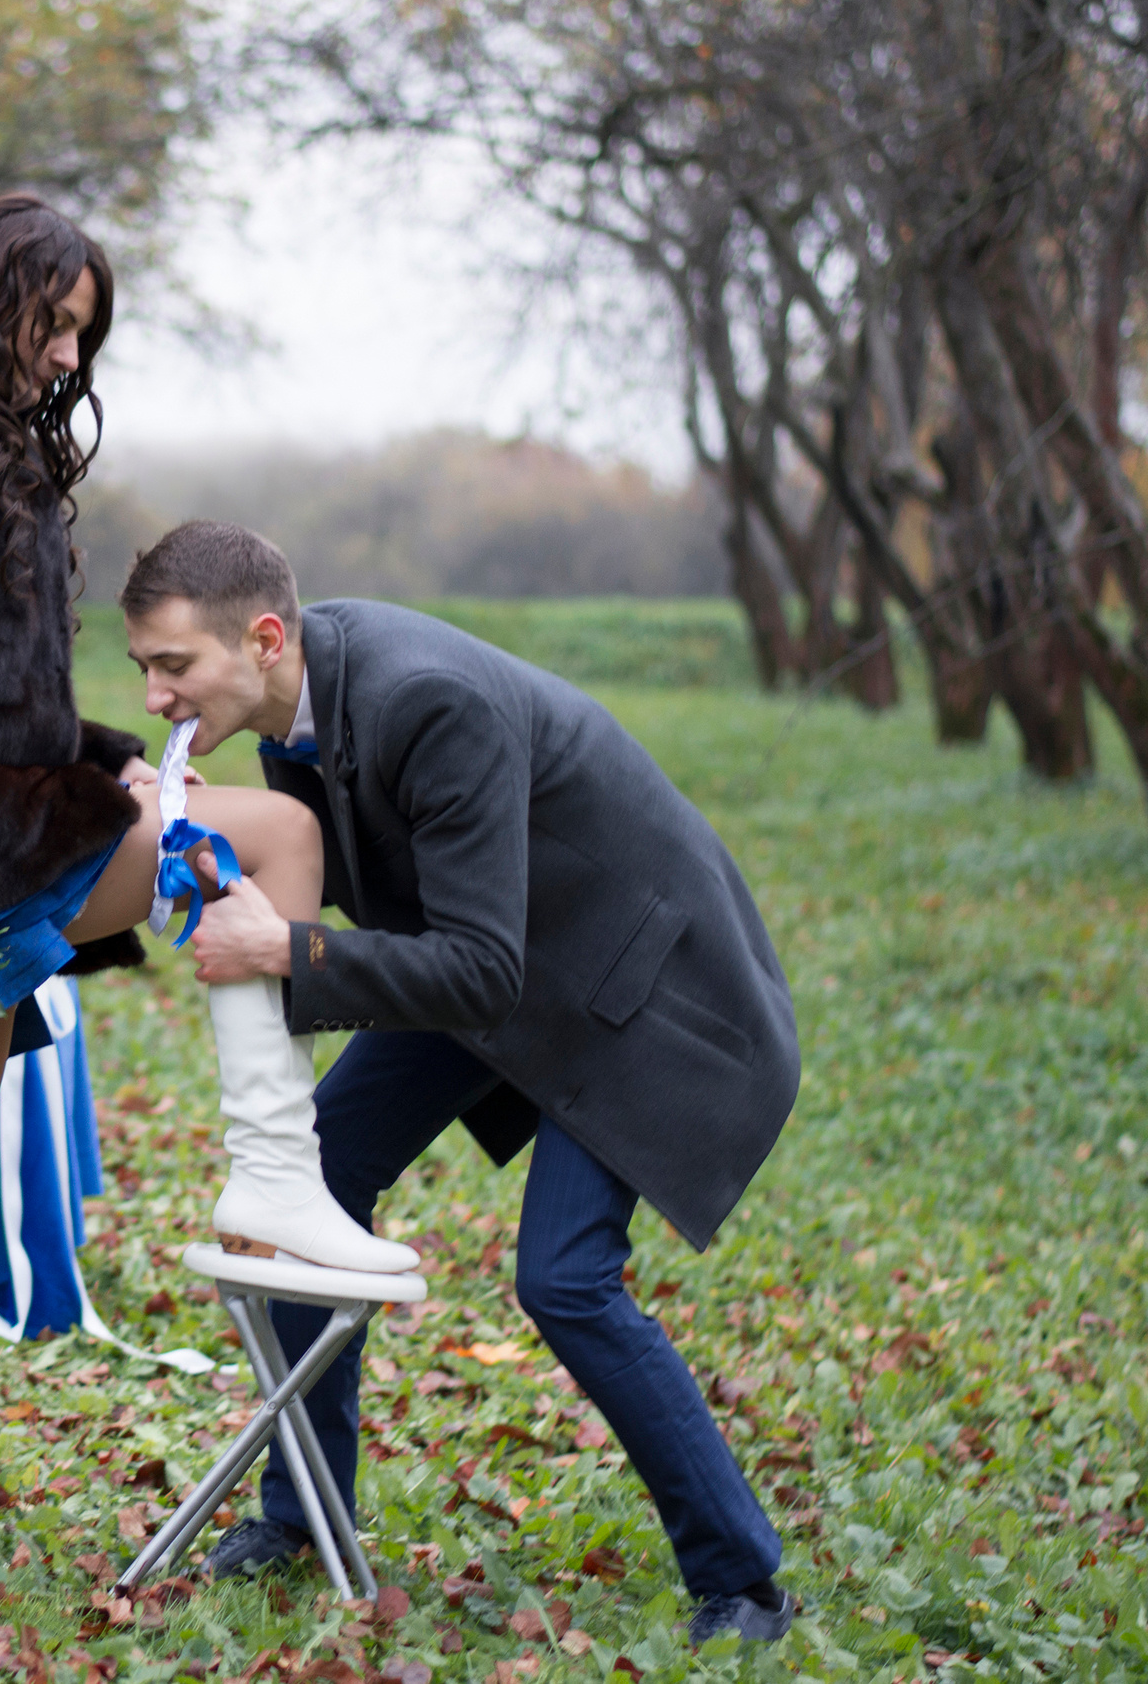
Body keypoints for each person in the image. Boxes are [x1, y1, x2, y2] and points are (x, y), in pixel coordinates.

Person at [0, 197, 415, 1565]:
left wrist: (122, 773)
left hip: (8, 816)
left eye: (79, 336)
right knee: (272, 844)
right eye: (50, 325)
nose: (62, 357)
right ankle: (273, 1178)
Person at [116, 520, 803, 1646]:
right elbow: (393, 901)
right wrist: (204, 852)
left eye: (172, 665)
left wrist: (285, 952)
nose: (154, 693)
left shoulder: (425, 700)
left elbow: (476, 966)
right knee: (314, 1176)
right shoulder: (297, 710)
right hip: (513, 962)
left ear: (264, 636)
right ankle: (304, 1519)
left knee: (566, 1278)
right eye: (143, 667)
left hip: (643, 1002)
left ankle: (745, 1584)